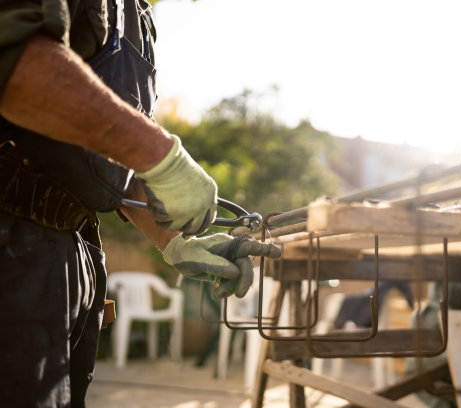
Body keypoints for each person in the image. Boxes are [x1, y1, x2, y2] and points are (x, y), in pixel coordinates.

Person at [0, 0, 281, 406]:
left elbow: (99, 156)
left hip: (62, 250)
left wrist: (173, 240)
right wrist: (161, 154)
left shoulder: (136, 17)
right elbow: (16, 66)